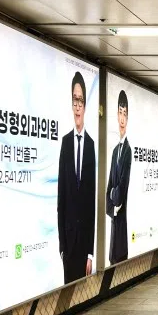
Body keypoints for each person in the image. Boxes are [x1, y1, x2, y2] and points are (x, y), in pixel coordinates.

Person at [57, 72, 96, 284]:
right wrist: (61, 246)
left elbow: (91, 205)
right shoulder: (65, 143)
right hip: (68, 244)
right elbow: (61, 198)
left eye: (81, 100)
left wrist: (90, 253)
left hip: (84, 246)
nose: (78, 105)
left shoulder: (90, 145)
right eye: (75, 99)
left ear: (85, 104)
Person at [106, 90, 131, 265]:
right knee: (112, 253)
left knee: (119, 250)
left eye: (125, 114)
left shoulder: (128, 150)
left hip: (120, 209)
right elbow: (110, 184)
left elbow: (122, 183)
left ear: (128, 117)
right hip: (114, 210)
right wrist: (111, 201)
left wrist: (115, 197)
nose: (122, 118)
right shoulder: (115, 150)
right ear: (116, 115)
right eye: (120, 113)